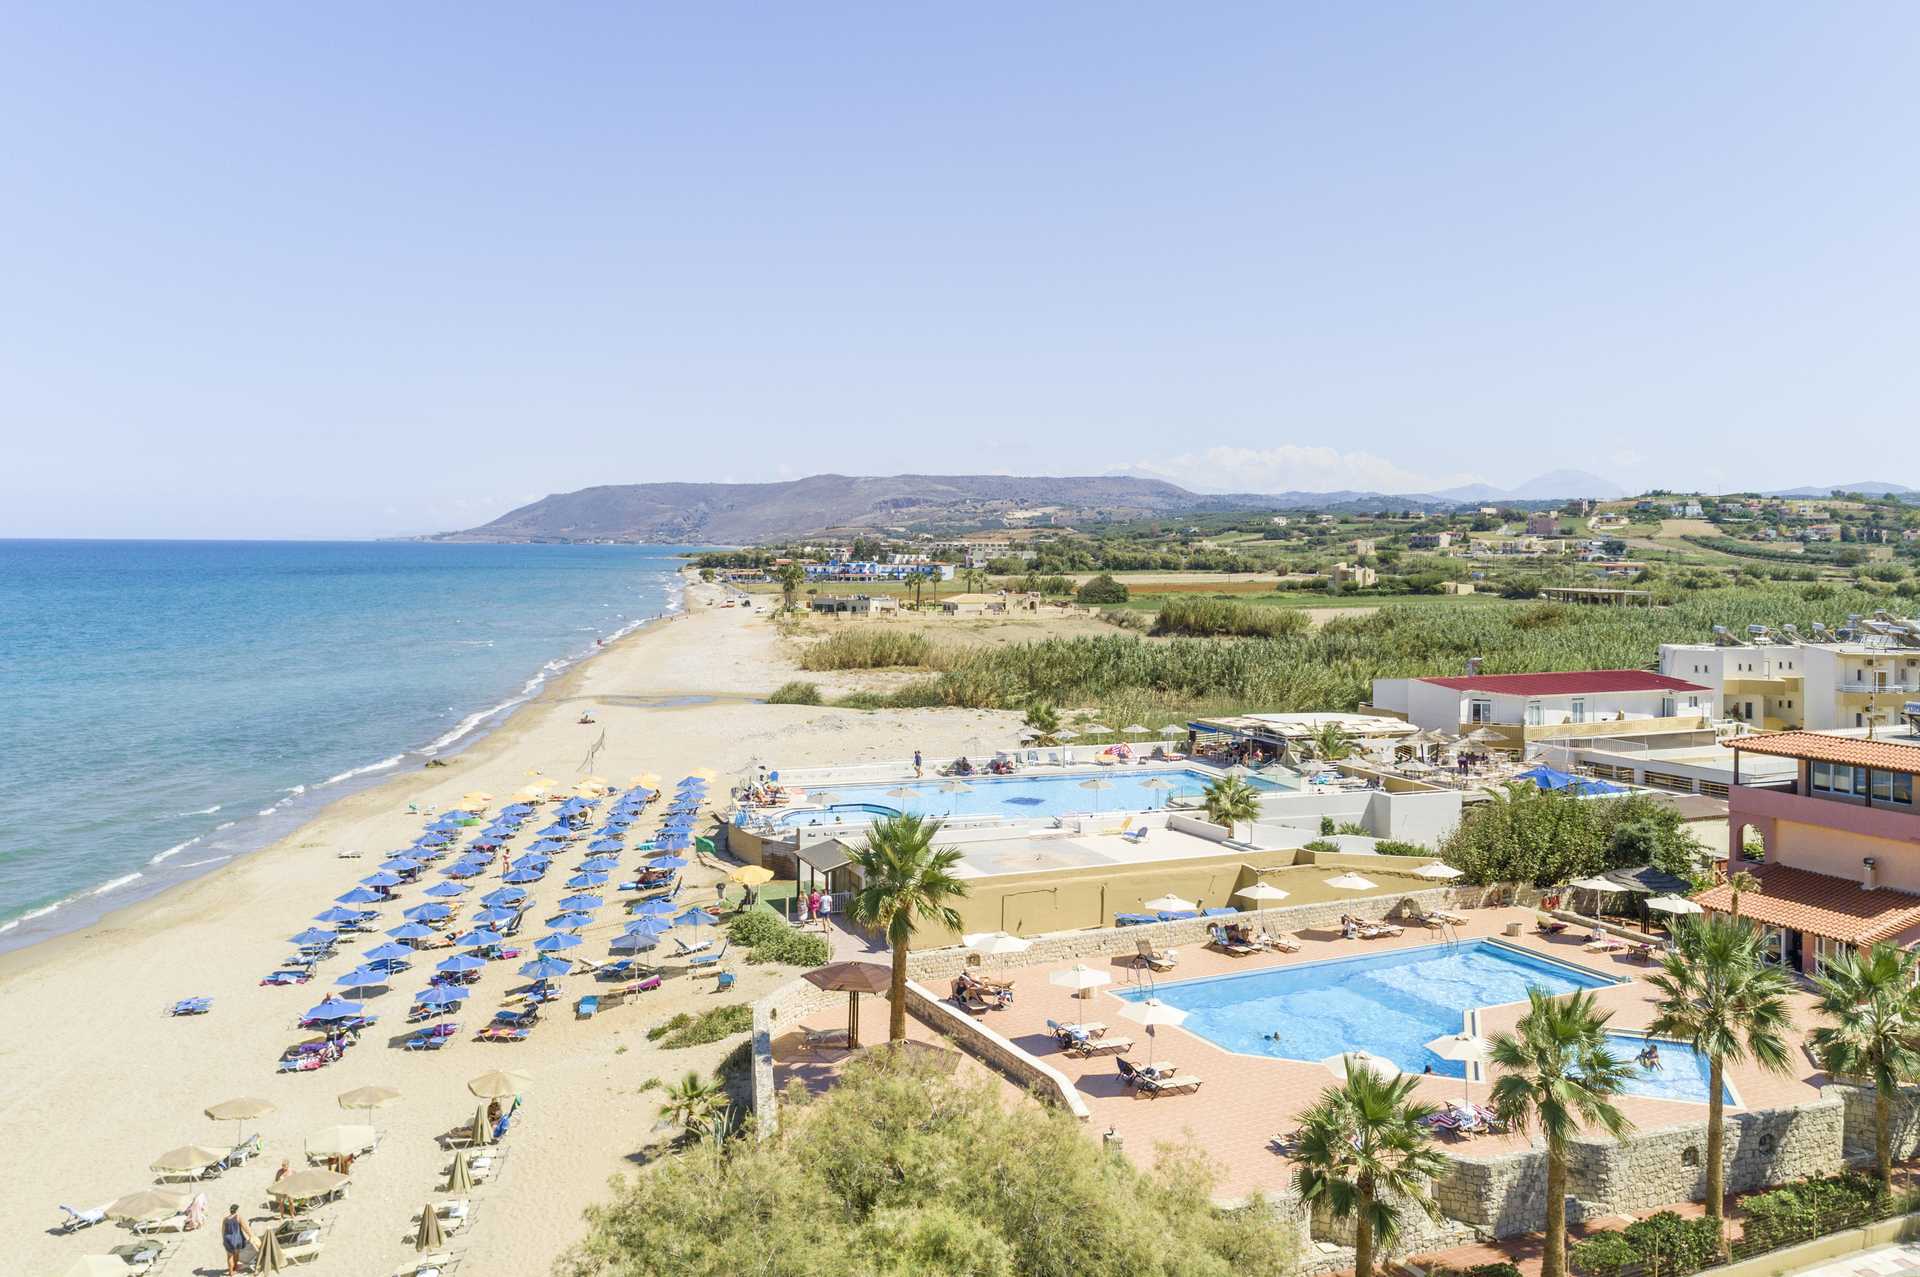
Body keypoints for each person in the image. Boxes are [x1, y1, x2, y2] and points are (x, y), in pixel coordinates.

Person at [221, 1204, 254, 1275]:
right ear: (236, 1210)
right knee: (236, 1254)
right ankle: (235, 1267)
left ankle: (231, 1272)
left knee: (230, 1256)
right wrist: (251, 1236)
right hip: (236, 1239)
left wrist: (224, 1240)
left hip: (228, 1239)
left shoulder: (225, 1219)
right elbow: (245, 1227)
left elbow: (223, 1231)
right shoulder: (238, 1217)